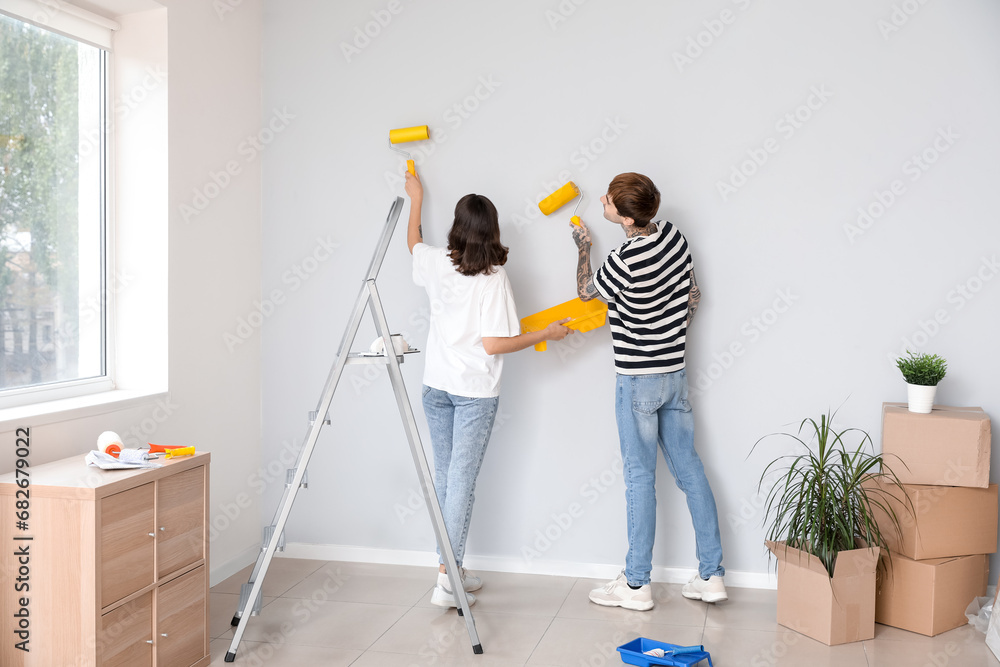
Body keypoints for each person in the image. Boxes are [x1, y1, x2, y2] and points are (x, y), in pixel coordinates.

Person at [404, 170, 572, 608]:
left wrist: (416, 197)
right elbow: (494, 343)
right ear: (492, 230)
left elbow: (412, 243)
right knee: (460, 481)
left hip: (435, 386)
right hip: (474, 391)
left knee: (447, 478)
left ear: (458, 229)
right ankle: (447, 578)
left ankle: (450, 568)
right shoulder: (494, 276)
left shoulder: (437, 261)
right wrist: (545, 335)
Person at [571, 172, 726, 611]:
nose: (602, 199)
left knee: (640, 480)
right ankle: (711, 576)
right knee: (690, 471)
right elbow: (693, 294)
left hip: (636, 380)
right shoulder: (674, 236)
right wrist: (670, 336)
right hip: (674, 374)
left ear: (623, 216)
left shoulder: (622, 261)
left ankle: (636, 586)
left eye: (609, 199)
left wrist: (584, 246)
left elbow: (585, 293)